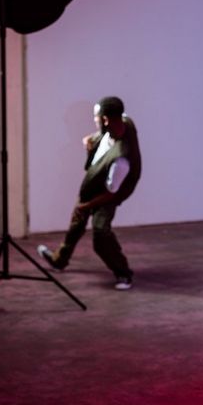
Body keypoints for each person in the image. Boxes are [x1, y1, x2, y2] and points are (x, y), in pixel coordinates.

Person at [37, 96, 142, 290]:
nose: (94, 120)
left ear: (105, 120)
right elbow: (106, 133)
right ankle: (59, 260)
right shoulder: (123, 121)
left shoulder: (121, 160)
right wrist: (93, 138)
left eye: (96, 117)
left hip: (107, 192)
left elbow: (112, 193)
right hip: (94, 183)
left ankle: (123, 274)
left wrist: (87, 205)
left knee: (101, 234)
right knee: (77, 222)